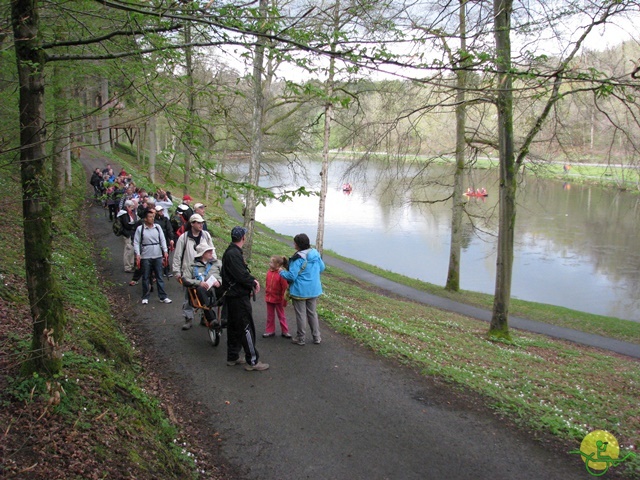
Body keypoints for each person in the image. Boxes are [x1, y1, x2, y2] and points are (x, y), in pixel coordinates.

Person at [221, 226, 268, 371]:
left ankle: (233, 356)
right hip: (238, 296)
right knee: (246, 327)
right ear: (243, 238)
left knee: (234, 326)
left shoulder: (231, 252)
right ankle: (252, 361)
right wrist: (253, 282)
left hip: (233, 295)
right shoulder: (233, 254)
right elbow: (241, 275)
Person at [279, 233, 325, 346]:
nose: (294, 244)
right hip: (313, 289)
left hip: (300, 291)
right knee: (312, 313)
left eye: (295, 242)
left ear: (298, 245)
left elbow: (291, 276)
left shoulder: (297, 258)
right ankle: (316, 337)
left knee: (301, 314)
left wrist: (281, 272)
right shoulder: (315, 253)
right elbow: (322, 268)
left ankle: (301, 338)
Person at [172, 213, 214, 330]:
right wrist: (176, 272)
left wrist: (214, 266)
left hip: (204, 270)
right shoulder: (184, 238)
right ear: (192, 224)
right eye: (198, 222)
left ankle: (205, 317)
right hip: (189, 272)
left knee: (207, 294)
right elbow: (177, 255)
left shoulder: (205, 236)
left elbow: (212, 251)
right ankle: (188, 318)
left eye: (202, 223)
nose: (201, 225)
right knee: (189, 296)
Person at [133, 207, 171, 305]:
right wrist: (137, 254)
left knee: (159, 276)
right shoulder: (140, 229)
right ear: (145, 219)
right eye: (150, 217)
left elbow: (162, 239)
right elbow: (136, 242)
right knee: (146, 276)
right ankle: (145, 296)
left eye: (153, 216)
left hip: (157, 254)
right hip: (145, 255)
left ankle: (163, 296)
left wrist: (165, 251)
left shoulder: (157, 227)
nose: (152, 219)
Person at [181, 243, 222, 327]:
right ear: (202, 254)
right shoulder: (191, 265)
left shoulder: (218, 263)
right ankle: (211, 319)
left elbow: (227, 276)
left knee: (231, 290)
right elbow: (185, 279)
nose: (211, 252)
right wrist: (199, 283)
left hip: (217, 289)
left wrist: (220, 281)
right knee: (200, 289)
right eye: (208, 251)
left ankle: (226, 319)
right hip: (201, 292)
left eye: (211, 250)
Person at [263, 255, 291, 338]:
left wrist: (284, 299)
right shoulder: (269, 272)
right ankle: (270, 330)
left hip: (279, 299)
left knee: (281, 316)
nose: (269, 263)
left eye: (271, 262)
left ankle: (285, 331)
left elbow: (284, 288)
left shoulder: (281, 275)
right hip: (269, 297)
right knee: (270, 316)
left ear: (278, 264)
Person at [116, 199, 138, 273]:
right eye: (131, 207)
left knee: (131, 250)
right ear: (128, 206)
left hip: (130, 233)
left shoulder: (128, 213)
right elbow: (126, 224)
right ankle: (128, 266)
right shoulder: (124, 214)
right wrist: (133, 226)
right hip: (127, 233)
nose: (132, 208)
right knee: (128, 249)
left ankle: (131, 265)